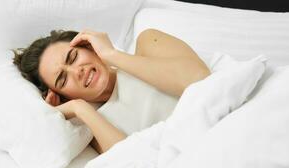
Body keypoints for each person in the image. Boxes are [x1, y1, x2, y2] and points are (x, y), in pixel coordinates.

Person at [12, 29, 210, 154]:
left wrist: (111, 55)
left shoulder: (148, 43)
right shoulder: (96, 126)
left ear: (89, 46)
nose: (77, 72)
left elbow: (201, 80)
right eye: (62, 79)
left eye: (73, 57)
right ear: (63, 96)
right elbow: (129, 161)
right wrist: (79, 108)